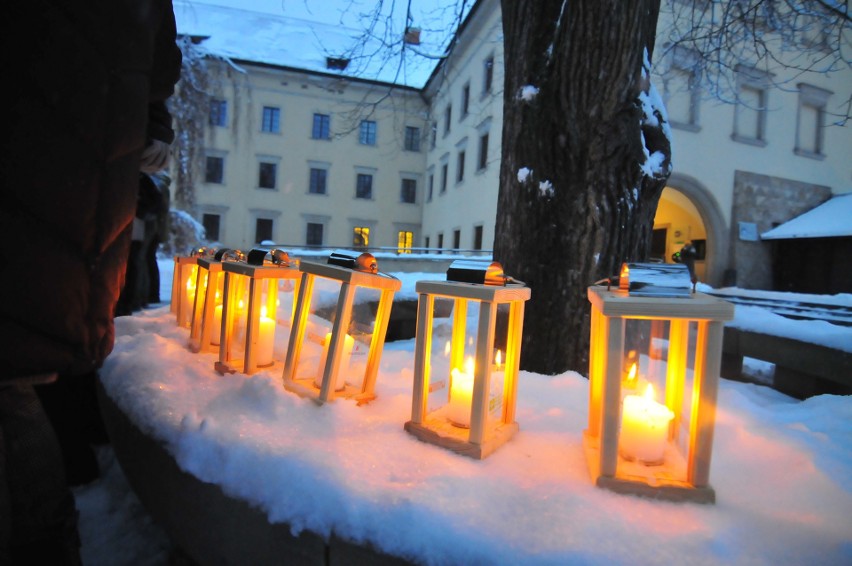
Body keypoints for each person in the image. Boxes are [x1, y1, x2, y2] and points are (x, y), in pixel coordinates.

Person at [0, 1, 182, 563]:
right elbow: (158, 68)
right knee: (27, 368)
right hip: (88, 188)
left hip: (46, 170)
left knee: (16, 378)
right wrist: (147, 128)